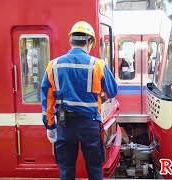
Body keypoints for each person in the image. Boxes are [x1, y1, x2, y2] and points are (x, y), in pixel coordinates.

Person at [40, 21, 118, 180]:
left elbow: (47, 99)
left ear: (71, 41)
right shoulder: (98, 65)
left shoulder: (53, 65)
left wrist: (50, 125)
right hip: (90, 125)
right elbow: (112, 91)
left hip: (64, 124)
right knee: (95, 170)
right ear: (90, 42)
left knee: (66, 170)